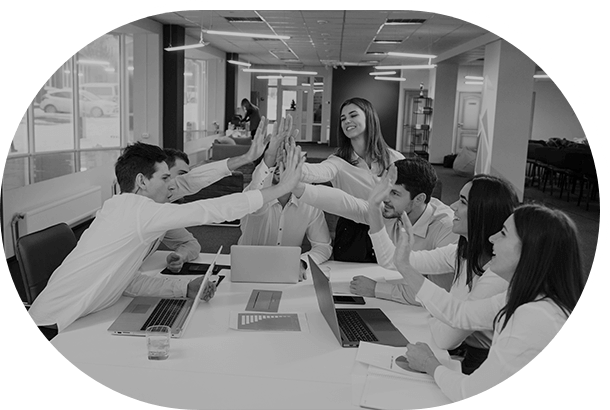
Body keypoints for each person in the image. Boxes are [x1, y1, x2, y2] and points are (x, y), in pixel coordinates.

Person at [27, 135, 305, 335]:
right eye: (164, 178)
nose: (173, 186)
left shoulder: (128, 210)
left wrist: (184, 289)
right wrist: (281, 188)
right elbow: (208, 210)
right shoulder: (137, 212)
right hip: (53, 327)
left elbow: (128, 281)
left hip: (80, 320)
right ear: (141, 181)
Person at [393, 203, 584, 402]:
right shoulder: (523, 296)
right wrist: (405, 266)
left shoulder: (534, 317)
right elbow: (460, 313)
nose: (492, 238)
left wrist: (429, 364)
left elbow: (470, 391)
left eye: (503, 233)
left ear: (530, 250)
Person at [371, 171, 518, 374]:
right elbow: (391, 260)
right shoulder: (463, 251)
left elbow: (446, 338)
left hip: (482, 362)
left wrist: (436, 312)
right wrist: (373, 208)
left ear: (483, 212)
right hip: (464, 350)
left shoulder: (496, 274)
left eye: (463, 202)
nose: (453, 206)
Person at [293, 157, 458, 294]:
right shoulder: (394, 210)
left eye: (395, 193)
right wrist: (296, 187)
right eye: (385, 189)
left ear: (419, 199)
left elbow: (437, 293)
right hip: (405, 294)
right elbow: (348, 205)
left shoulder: (447, 227)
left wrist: (377, 289)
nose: (385, 198)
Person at [299, 97, 404, 262]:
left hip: (388, 229)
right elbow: (317, 172)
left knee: (389, 274)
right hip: (352, 233)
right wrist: (292, 167)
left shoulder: (394, 158)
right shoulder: (338, 161)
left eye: (353, 115)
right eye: (343, 118)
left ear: (369, 117)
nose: (347, 121)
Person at [239, 116, 332, 280]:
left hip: (287, 274)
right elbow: (256, 192)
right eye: (276, 158)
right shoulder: (254, 192)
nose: (280, 162)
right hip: (247, 270)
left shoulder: (309, 200)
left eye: (287, 157)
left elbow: (323, 247)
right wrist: (269, 158)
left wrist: (302, 262)